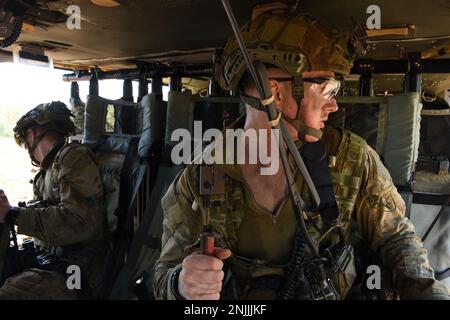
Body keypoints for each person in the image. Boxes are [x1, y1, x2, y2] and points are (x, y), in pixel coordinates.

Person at [154, 2, 450, 300]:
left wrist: (427, 293)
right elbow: (164, 275)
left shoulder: (351, 158)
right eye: (328, 91)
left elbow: (398, 239)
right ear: (277, 93)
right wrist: (182, 285)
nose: (334, 106)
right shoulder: (200, 174)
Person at [0, 101, 107, 299]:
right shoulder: (48, 171)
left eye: (25, 142)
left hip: (78, 272)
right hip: (53, 261)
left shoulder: (72, 158)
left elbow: (80, 222)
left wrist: (14, 214)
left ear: (31, 134)